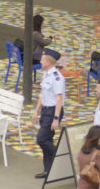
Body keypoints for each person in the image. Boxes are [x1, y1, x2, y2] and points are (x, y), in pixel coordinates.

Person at [33, 48, 66, 179]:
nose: (40, 61)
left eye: (42, 59)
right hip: (46, 110)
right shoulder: (46, 74)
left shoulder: (57, 78)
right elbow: (43, 94)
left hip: (53, 111)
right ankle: (48, 170)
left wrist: (56, 119)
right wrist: (36, 110)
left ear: (49, 62)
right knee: (47, 140)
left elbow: (59, 99)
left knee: (41, 139)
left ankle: (60, 158)